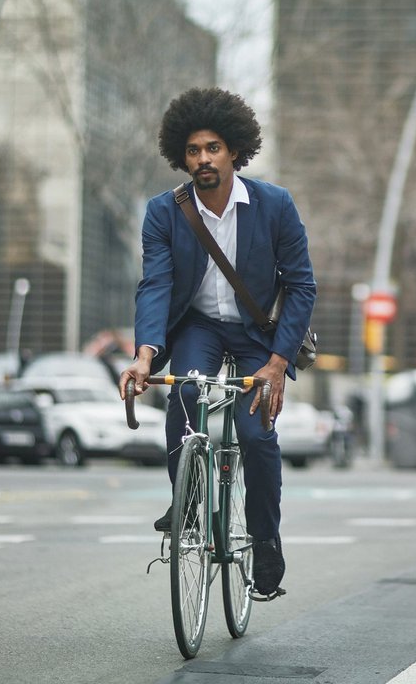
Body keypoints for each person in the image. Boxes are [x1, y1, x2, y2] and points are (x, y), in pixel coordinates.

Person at [119, 87, 316, 598]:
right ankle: (185, 501)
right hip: (198, 326)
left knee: (255, 436)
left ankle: (266, 541)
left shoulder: (274, 205)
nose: (202, 159)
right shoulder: (164, 212)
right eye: (192, 150)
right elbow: (156, 284)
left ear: (233, 151)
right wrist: (143, 355)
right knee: (185, 393)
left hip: (258, 335)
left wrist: (277, 363)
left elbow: (301, 286)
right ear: (179, 157)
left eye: (212, 148)